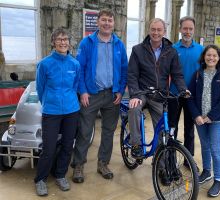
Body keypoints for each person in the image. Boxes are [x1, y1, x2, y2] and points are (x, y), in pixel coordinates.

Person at [71, 9, 128, 183]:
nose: (107, 23)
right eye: (103, 20)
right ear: (97, 22)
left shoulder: (118, 44)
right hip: (91, 94)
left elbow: (124, 69)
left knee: (108, 132)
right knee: (85, 131)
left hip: (112, 95)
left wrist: (120, 90)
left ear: (113, 23)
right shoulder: (87, 43)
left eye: (110, 20)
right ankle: (79, 165)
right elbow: (79, 70)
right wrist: (83, 91)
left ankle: (103, 163)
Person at [127, 18, 188, 159]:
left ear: (164, 32)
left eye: (159, 30)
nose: (156, 33)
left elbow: (177, 75)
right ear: (149, 30)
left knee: (162, 129)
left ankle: (161, 165)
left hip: (159, 95)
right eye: (153, 29)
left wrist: (183, 89)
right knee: (134, 108)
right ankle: (136, 144)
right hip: (141, 92)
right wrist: (135, 95)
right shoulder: (137, 50)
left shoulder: (171, 52)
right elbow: (132, 75)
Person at [34, 28, 80, 196]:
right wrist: (48, 102)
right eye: (59, 39)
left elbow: (75, 86)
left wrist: (69, 100)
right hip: (51, 111)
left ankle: (60, 174)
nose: (63, 42)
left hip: (71, 110)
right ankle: (40, 179)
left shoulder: (74, 64)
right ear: (53, 42)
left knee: (68, 145)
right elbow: (40, 88)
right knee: (49, 148)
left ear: (69, 42)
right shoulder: (44, 64)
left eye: (66, 39)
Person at [188, 44, 220, 197]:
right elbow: (190, 97)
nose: (211, 58)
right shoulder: (197, 75)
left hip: (216, 119)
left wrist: (211, 116)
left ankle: (218, 180)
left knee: (215, 148)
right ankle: (207, 172)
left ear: (219, 58)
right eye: (208, 55)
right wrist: (196, 115)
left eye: (214, 55)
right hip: (200, 119)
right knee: (205, 146)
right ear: (204, 57)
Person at [168, 16, 203, 167]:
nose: (187, 32)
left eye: (190, 29)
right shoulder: (172, 49)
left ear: (194, 30)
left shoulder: (201, 50)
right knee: (172, 129)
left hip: (191, 97)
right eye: (185, 28)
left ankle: (189, 160)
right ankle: (170, 159)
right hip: (174, 95)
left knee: (190, 129)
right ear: (180, 29)